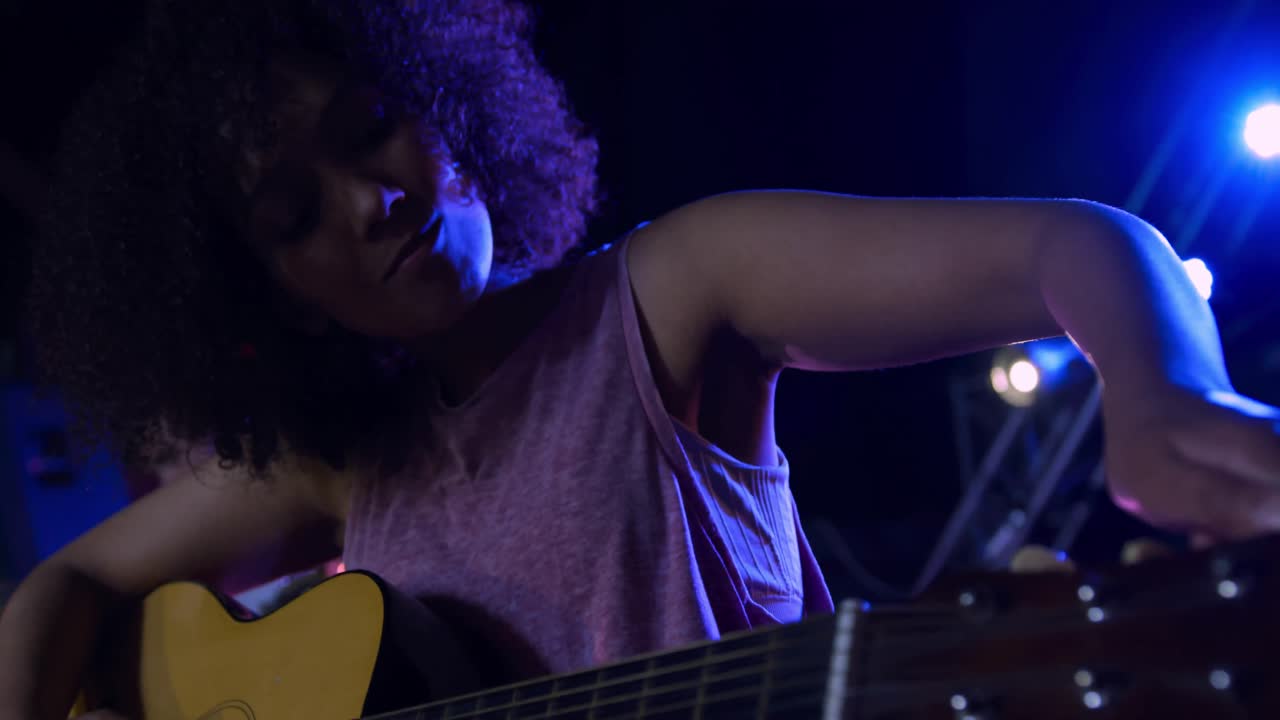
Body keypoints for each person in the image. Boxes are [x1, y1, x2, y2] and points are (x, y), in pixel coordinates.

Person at [4, 0, 1280, 717]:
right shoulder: (340, 469)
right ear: (274, 303)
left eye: (370, 126)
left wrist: (1165, 394)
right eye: (293, 217)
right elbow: (53, 596)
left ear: (441, 102)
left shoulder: (668, 291)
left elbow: (1071, 240)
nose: (369, 200)